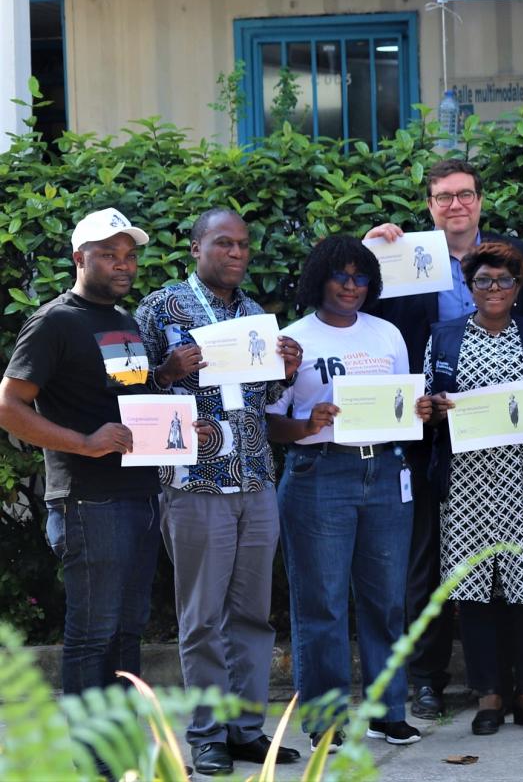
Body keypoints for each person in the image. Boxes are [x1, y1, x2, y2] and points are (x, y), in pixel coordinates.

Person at [365, 159, 523, 722]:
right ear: (430, 205)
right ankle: (428, 680)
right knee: (429, 562)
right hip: (433, 431)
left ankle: (515, 685)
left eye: (465, 194)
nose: (455, 205)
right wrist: (372, 255)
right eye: (443, 197)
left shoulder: (514, 255)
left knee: (518, 566)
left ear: (480, 201)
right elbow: (366, 313)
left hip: (512, 442)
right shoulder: (404, 255)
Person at [133, 210, 305, 774]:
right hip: (195, 482)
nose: (236, 253)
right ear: (195, 247)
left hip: (255, 478)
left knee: (252, 616)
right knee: (203, 617)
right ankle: (207, 734)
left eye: (243, 244)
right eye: (223, 243)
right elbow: (126, 391)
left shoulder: (255, 315)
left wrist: (286, 369)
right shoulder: (160, 307)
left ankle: (246, 730)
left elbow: (264, 397)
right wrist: (164, 372)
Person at [0, 209, 161, 707]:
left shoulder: (124, 321)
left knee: (127, 633)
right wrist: (85, 443)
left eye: (129, 255)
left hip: (140, 495)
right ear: (79, 258)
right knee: (94, 635)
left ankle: (122, 743)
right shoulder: (54, 322)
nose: (123, 264)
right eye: (109, 254)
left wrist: (176, 431)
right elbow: (8, 406)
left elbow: (126, 404)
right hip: (89, 503)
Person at [268, 236, 421, 746]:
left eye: (361, 278)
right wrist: (307, 424)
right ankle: (325, 721)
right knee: (323, 605)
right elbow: (270, 423)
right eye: (341, 276)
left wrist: (418, 411)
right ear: (320, 279)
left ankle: (387, 711)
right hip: (320, 473)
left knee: (386, 602)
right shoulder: (293, 339)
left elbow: (403, 405)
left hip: (385, 471)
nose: (351, 286)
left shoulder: (387, 334)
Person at [420, 242, 523, 737]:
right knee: (473, 589)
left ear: (518, 287)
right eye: (483, 280)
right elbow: (426, 402)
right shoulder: (444, 336)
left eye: (504, 280)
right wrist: (433, 409)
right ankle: (488, 694)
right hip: (465, 484)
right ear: (470, 288)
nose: (494, 288)